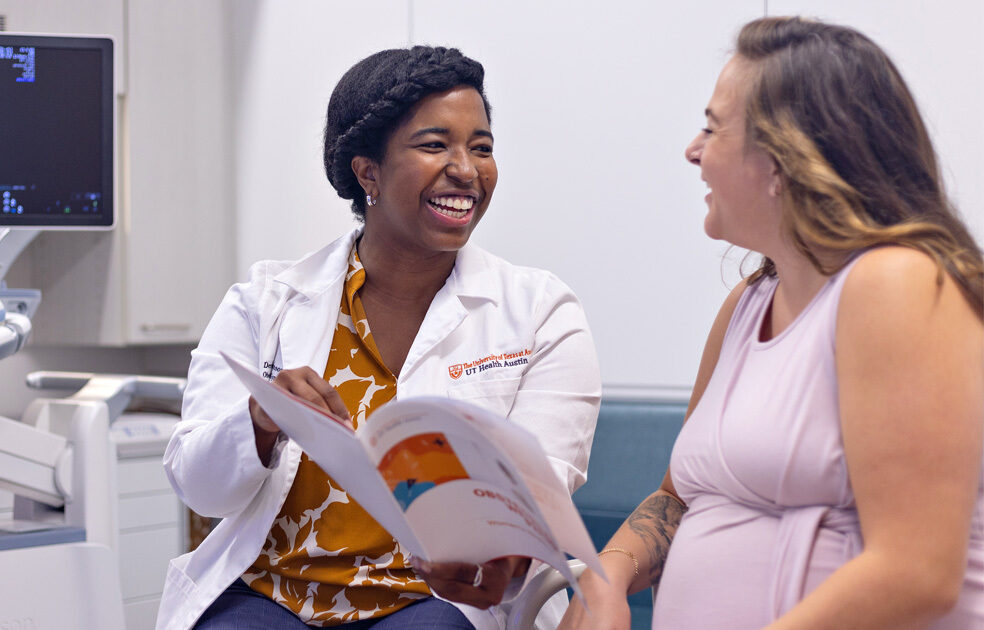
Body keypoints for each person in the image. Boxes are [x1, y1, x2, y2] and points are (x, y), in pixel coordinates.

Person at [157, 46, 602, 630]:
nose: (467, 169)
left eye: (482, 147)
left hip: (436, 602)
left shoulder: (541, 312)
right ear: (368, 172)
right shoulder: (266, 299)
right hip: (273, 595)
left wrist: (494, 541)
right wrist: (260, 422)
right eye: (435, 144)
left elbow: (541, 493)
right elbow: (199, 487)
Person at [561, 16, 984, 630]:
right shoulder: (746, 306)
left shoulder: (899, 283)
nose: (692, 149)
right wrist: (610, 574)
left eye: (712, 126)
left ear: (787, 155)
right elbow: (678, 499)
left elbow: (915, 569)